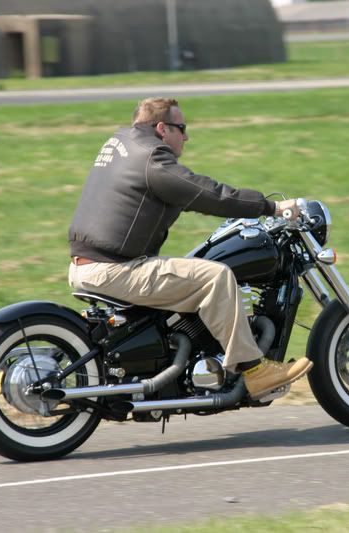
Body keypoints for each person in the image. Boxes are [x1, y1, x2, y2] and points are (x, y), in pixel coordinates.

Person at [68, 97, 312, 400]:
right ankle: (254, 370)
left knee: (190, 271)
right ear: (161, 128)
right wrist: (271, 207)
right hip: (114, 269)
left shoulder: (121, 143)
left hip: (90, 264)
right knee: (216, 276)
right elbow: (207, 194)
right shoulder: (152, 158)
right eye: (181, 128)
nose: (186, 136)